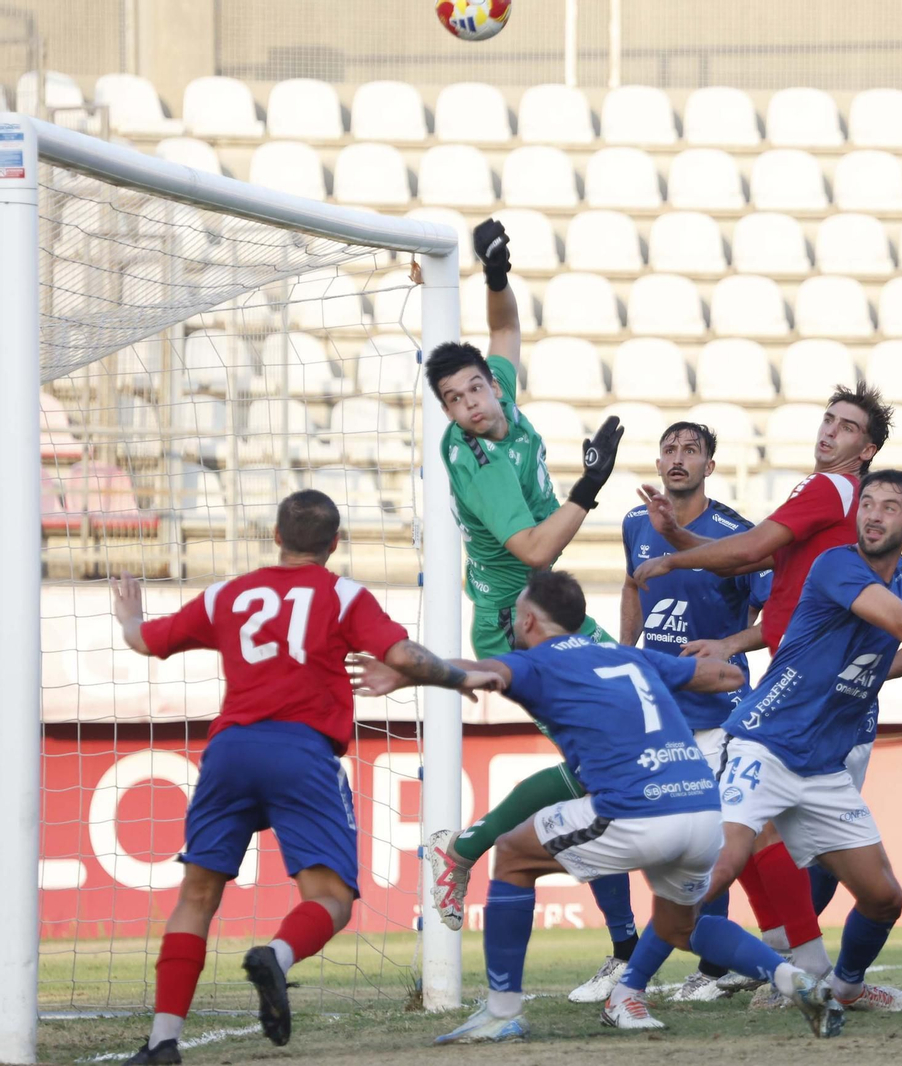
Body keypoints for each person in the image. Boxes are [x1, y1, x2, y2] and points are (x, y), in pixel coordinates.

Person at [604, 470, 902, 1027]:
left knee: (884, 897)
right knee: (712, 876)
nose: (872, 514)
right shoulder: (838, 564)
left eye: (889, 507)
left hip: (821, 770)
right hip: (763, 746)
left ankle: (842, 986)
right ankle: (627, 989)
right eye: (867, 503)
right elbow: (900, 623)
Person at [355, 571, 845, 1038]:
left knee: (512, 853)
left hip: (638, 809)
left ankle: (502, 1012)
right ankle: (792, 980)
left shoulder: (539, 662)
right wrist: (710, 672)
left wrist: (408, 672)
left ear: (528, 621)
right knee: (683, 925)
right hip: (702, 810)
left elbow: (476, 674)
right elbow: (721, 676)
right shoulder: (627, 656)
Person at [107, 491, 503, 1065]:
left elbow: (146, 642)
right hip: (302, 753)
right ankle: (278, 956)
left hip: (231, 750)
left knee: (196, 898)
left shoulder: (229, 593)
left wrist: (129, 616)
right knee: (332, 899)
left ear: (275, 536)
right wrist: (453, 677)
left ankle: (163, 1042)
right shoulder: (344, 596)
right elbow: (405, 655)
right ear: (334, 543)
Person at [421, 216, 637, 1008]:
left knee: (605, 757)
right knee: (600, 762)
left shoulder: (500, 388)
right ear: (448, 414)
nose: (473, 405)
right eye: (455, 401)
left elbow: (505, 327)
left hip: (554, 610)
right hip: (520, 619)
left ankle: (475, 852)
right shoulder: (473, 461)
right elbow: (536, 550)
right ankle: (473, 852)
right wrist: (589, 485)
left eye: (475, 388)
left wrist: (496, 270)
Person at [629, 384, 896, 996]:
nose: (828, 432)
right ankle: (809, 969)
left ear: (867, 449)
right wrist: (685, 547)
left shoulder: (827, 488)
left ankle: (643, 978)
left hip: (800, 702)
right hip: (817, 703)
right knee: (775, 846)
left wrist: (673, 559)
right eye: (827, 419)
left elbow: (749, 550)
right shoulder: (847, 514)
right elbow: (756, 565)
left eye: (846, 427)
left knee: (727, 847)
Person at [623, 420, 772, 1002]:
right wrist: (627, 652)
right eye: (669, 449)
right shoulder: (637, 522)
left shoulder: (738, 534)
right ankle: (713, 958)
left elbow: (769, 617)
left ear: (710, 465)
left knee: (709, 841)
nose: (678, 458)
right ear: (658, 463)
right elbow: (634, 584)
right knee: (673, 839)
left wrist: (730, 647)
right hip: (662, 711)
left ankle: (715, 968)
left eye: (691, 450)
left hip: (720, 711)